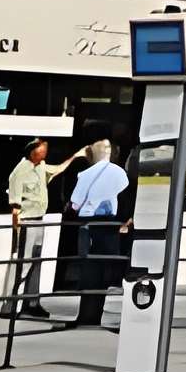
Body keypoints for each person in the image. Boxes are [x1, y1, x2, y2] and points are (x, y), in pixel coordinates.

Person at [2, 138, 86, 320]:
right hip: (27, 221)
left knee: (36, 262)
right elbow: (15, 209)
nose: (45, 152)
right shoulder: (19, 172)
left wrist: (75, 156)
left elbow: (58, 169)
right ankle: (12, 305)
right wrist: (16, 233)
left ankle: (32, 302)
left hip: (39, 220)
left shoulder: (41, 166)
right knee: (24, 264)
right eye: (42, 149)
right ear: (32, 150)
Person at [65, 140, 131, 327]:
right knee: (104, 273)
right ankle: (96, 314)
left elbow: (75, 204)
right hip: (111, 226)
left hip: (89, 225)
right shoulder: (120, 173)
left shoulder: (86, 174)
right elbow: (125, 199)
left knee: (89, 271)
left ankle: (86, 315)